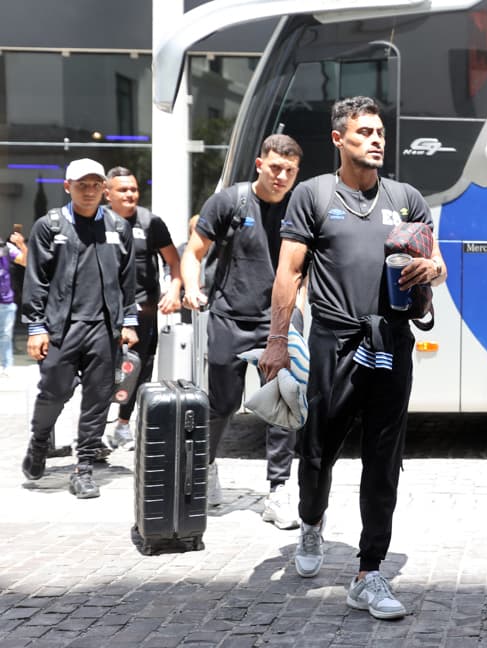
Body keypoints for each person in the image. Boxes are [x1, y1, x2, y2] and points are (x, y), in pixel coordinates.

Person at [258, 96, 448, 620]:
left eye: (380, 132)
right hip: (333, 344)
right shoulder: (314, 195)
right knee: (317, 452)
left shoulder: (407, 197)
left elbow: (434, 262)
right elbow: (288, 273)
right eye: (364, 132)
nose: (376, 140)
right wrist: (278, 339)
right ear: (339, 139)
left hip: (390, 342)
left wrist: (432, 273)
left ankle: (369, 572)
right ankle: (311, 522)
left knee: (384, 459)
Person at [181, 134, 304, 527]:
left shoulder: (300, 208)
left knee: (283, 405)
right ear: (259, 164)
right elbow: (194, 251)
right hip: (229, 319)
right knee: (222, 404)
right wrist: (191, 287)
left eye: (289, 170)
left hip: (278, 323)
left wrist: (297, 315)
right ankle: (209, 466)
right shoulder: (230, 202)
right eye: (275, 168)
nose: (281, 176)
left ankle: (278, 489)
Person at [20, 158, 138, 499]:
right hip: (61, 328)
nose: (89, 191)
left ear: (104, 189)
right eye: (81, 185)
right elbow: (37, 280)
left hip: (104, 327)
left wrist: (128, 321)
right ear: (68, 187)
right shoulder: (50, 226)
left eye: (95, 185)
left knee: (98, 399)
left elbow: (127, 280)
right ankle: (39, 441)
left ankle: (84, 466)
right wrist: (36, 327)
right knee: (54, 391)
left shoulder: (118, 226)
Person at [103, 166, 182, 449]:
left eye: (133, 189)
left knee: (137, 371)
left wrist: (174, 290)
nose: (130, 194)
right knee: (99, 372)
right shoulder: (95, 222)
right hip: (103, 312)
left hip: (143, 313)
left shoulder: (151, 223)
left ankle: (123, 426)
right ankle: (94, 430)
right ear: (107, 193)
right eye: (123, 190)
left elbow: (174, 262)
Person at [0, 231, 27, 375]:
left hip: (5, 301)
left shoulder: (7, 248)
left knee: (5, 335)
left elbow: (26, 261)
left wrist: (21, 245)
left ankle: (6, 365)